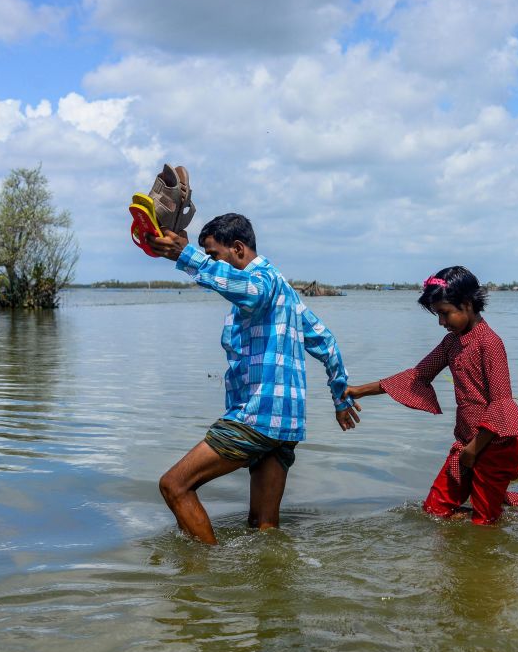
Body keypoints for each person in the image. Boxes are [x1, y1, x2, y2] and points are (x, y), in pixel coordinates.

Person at [145, 214, 360, 544]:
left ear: (238, 248)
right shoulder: (285, 291)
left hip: (257, 416)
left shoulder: (261, 280)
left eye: (215, 255)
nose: (214, 262)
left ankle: (209, 578)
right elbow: (325, 340)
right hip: (285, 424)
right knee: (263, 528)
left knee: (174, 485)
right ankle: (267, 586)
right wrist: (341, 398)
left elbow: (249, 290)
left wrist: (186, 255)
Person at [343, 266, 518, 525]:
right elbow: (417, 376)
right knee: (435, 510)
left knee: (484, 525)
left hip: (494, 447)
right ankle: (505, 507)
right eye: (438, 314)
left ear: (467, 304)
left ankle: (502, 511)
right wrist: (358, 390)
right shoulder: (452, 343)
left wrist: (473, 449)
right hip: (468, 444)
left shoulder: (489, 343)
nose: (441, 322)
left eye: (445, 313)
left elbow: (501, 404)